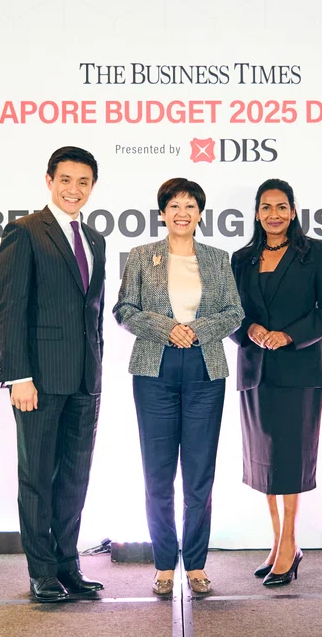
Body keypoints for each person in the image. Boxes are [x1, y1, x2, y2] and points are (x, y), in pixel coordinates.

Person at [113, 178, 244, 596]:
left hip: (206, 370)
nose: (182, 212)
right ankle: (164, 564)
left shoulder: (218, 259)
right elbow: (124, 309)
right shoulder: (141, 256)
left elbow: (234, 312)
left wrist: (197, 330)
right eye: (174, 205)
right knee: (157, 474)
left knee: (199, 475)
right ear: (163, 212)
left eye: (190, 205)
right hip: (155, 370)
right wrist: (169, 329)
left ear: (200, 214)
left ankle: (197, 565)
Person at [0, 146, 107, 602]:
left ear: (92, 186)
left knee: (74, 479)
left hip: (85, 379)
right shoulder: (25, 232)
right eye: (66, 179)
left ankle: (68, 565)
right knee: (37, 477)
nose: (74, 189)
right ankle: (41, 571)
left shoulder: (96, 238)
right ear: (49, 180)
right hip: (38, 381)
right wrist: (18, 375)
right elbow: (11, 307)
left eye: (83, 181)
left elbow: (92, 312)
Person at [229, 178, 322, 587]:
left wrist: (289, 335)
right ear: (257, 213)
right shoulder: (241, 259)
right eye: (265, 207)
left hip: (298, 371)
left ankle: (291, 542)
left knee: (290, 462)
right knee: (264, 463)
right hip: (255, 371)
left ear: (293, 211)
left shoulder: (317, 254)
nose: (273, 214)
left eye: (281, 207)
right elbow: (230, 313)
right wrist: (251, 330)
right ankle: (278, 542)